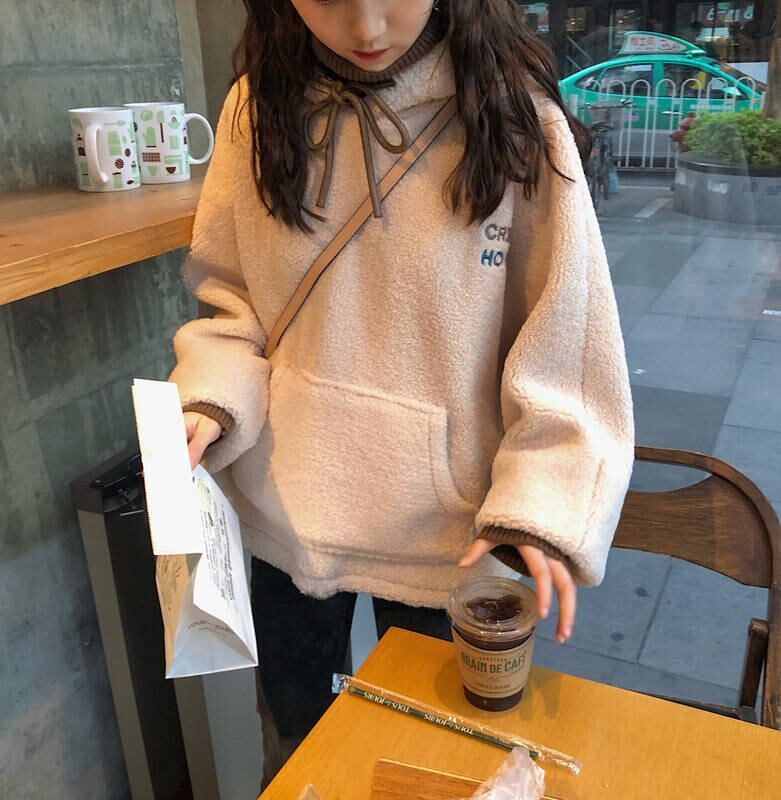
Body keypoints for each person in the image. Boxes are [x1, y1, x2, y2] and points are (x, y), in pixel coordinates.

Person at [168, 0, 634, 786]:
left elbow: (566, 335)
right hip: (288, 510)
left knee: (439, 769)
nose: (366, 27)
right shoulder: (259, 108)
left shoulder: (511, 115)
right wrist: (210, 398)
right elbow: (232, 300)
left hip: (448, 534)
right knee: (298, 754)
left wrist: (545, 500)